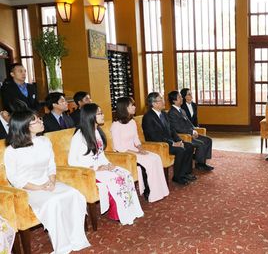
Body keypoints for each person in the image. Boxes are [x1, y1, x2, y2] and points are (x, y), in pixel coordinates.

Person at [4, 110, 90, 254]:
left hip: (48, 182)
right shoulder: (12, 151)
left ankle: (76, 238)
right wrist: (39, 187)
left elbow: (51, 165)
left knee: (74, 194)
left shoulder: (44, 141)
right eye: (36, 121)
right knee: (53, 201)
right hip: (28, 189)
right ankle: (62, 244)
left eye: (40, 119)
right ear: (24, 126)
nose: (41, 122)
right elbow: (14, 179)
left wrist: (51, 180)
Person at [68, 103, 144, 225]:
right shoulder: (79, 136)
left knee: (126, 174)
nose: (103, 115)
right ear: (90, 116)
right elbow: (72, 161)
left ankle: (131, 210)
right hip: (89, 172)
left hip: (101, 167)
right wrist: (97, 168)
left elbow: (100, 154)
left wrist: (108, 165)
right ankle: (117, 213)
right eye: (99, 113)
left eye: (101, 112)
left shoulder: (97, 131)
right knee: (116, 179)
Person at [110, 97, 169, 202]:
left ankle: (160, 191)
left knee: (156, 158)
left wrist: (140, 148)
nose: (134, 107)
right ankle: (149, 191)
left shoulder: (132, 122)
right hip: (124, 154)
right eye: (131, 105)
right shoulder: (116, 125)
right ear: (124, 108)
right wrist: (136, 152)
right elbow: (118, 147)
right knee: (149, 162)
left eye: (134, 105)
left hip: (135, 150)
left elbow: (136, 138)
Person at [142, 92, 195, 185]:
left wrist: (179, 140)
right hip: (159, 145)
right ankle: (177, 177)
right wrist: (173, 143)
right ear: (154, 104)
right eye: (161, 100)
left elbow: (172, 130)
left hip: (169, 142)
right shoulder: (148, 117)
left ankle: (185, 173)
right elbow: (154, 136)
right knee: (181, 150)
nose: (163, 102)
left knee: (189, 146)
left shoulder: (164, 114)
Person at [168, 90, 214, 171]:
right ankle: (199, 164)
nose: (182, 98)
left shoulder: (181, 110)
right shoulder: (172, 113)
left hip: (190, 133)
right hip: (183, 136)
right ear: (174, 100)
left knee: (208, 140)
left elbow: (189, 123)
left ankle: (202, 161)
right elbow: (177, 128)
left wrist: (194, 130)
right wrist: (191, 132)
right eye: (179, 97)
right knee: (201, 144)